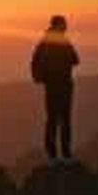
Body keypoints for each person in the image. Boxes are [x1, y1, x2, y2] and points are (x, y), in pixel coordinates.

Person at [30, 14, 80, 162]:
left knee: (53, 119)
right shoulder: (61, 42)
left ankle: (53, 153)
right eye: (64, 24)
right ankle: (64, 153)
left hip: (53, 86)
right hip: (62, 85)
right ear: (58, 25)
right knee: (63, 119)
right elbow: (75, 59)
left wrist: (41, 78)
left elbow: (35, 62)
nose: (66, 27)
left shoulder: (44, 43)